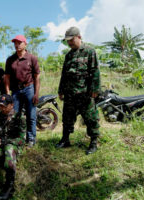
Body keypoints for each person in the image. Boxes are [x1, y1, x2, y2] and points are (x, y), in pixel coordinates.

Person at [55, 26, 101, 155]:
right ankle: (65, 140)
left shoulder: (89, 51)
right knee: (67, 118)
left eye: (71, 40)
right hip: (70, 94)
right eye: (67, 41)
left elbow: (95, 72)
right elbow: (64, 74)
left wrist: (95, 89)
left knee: (91, 118)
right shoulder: (68, 55)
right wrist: (61, 90)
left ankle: (93, 142)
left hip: (85, 93)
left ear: (79, 37)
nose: (69, 43)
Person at [4, 35, 40, 147]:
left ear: (25, 44)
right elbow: (7, 77)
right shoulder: (10, 60)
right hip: (15, 90)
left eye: (19, 42)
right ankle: (16, 138)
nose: (17, 45)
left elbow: (37, 77)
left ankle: (31, 139)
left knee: (31, 115)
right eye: (15, 43)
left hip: (29, 88)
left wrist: (36, 93)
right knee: (14, 115)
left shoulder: (32, 58)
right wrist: (7, 93)